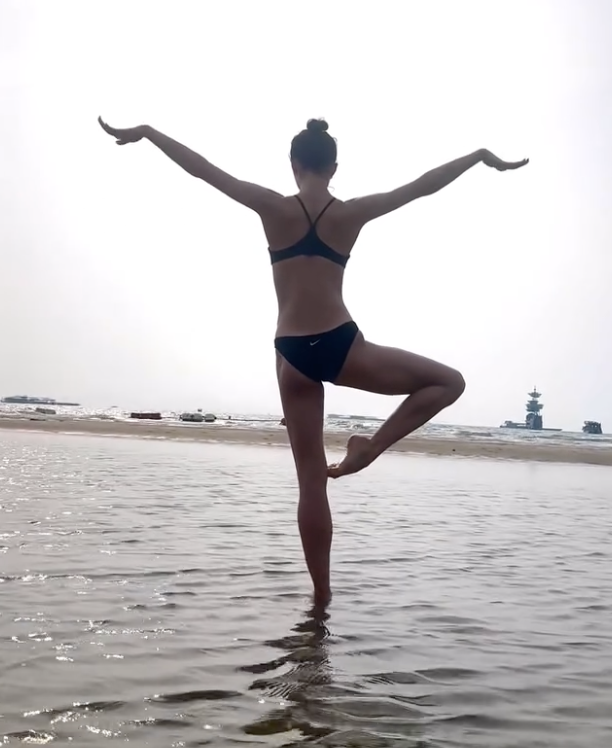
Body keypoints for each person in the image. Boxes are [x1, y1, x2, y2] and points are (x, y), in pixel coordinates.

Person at [98, 116, 528, 605]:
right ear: (334, 167)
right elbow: (420, 187)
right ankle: (370, 448)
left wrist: (150, 133)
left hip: (291, 354)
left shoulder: (272, 207)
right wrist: (477, 157)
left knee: (310, 484)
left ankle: (321, 598)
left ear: (293, 163)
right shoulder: (352, 213)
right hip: (341, 344)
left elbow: (203, 170)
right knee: (448, 382)